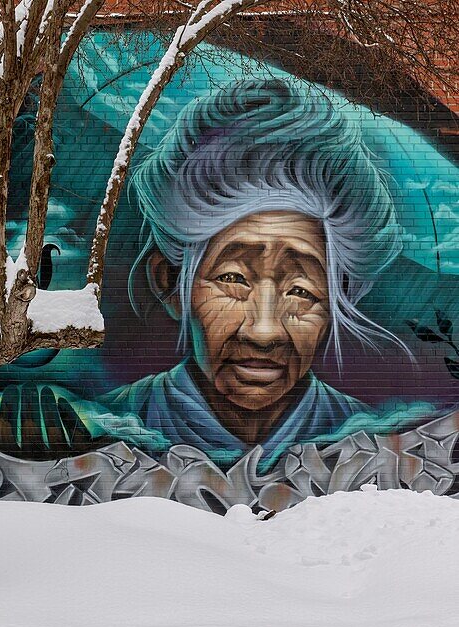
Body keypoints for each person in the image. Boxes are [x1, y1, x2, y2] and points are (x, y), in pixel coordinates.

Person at [96, 78, 409, 461]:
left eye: (301, 290)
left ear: (340, 294)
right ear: (171, 282)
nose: (264, 332)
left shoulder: (375, 448)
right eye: (232, 279)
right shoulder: (100, 431)